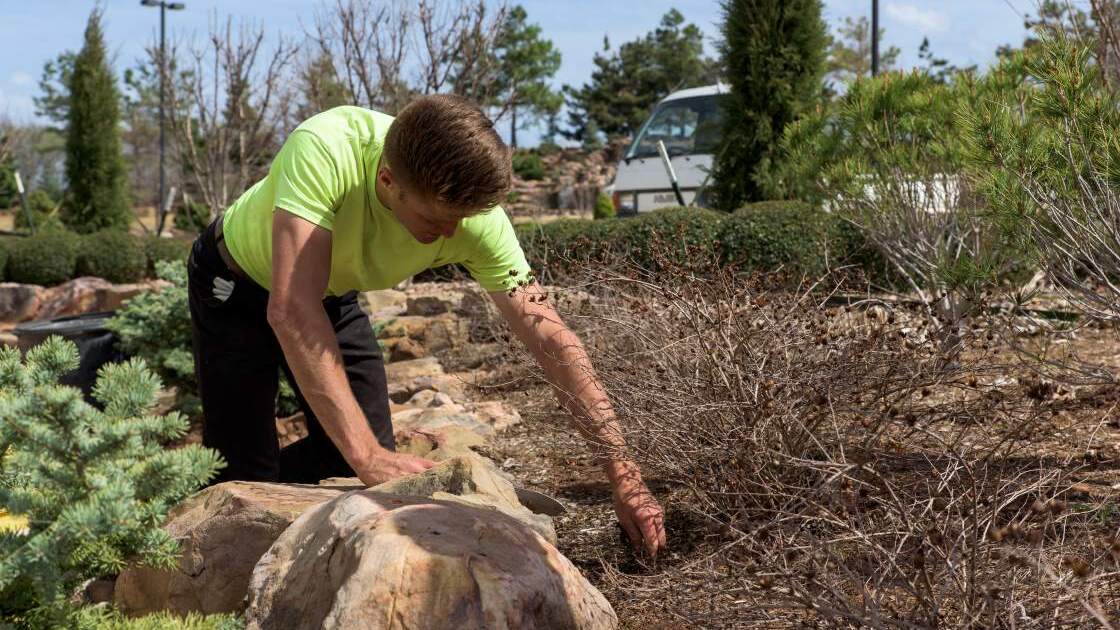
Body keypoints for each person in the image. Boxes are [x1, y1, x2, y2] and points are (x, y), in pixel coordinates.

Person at [186, 95, 666, 556]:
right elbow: (290, 310)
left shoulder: (476, 220)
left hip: (330, 293)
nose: (454, 235)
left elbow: (550, 337)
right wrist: (367, 456)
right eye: (437, 219)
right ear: (389, 179)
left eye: (464, 219)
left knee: (348, 463)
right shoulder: (326, 146)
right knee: (244, 474)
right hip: (235, 284)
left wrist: (625, 474)